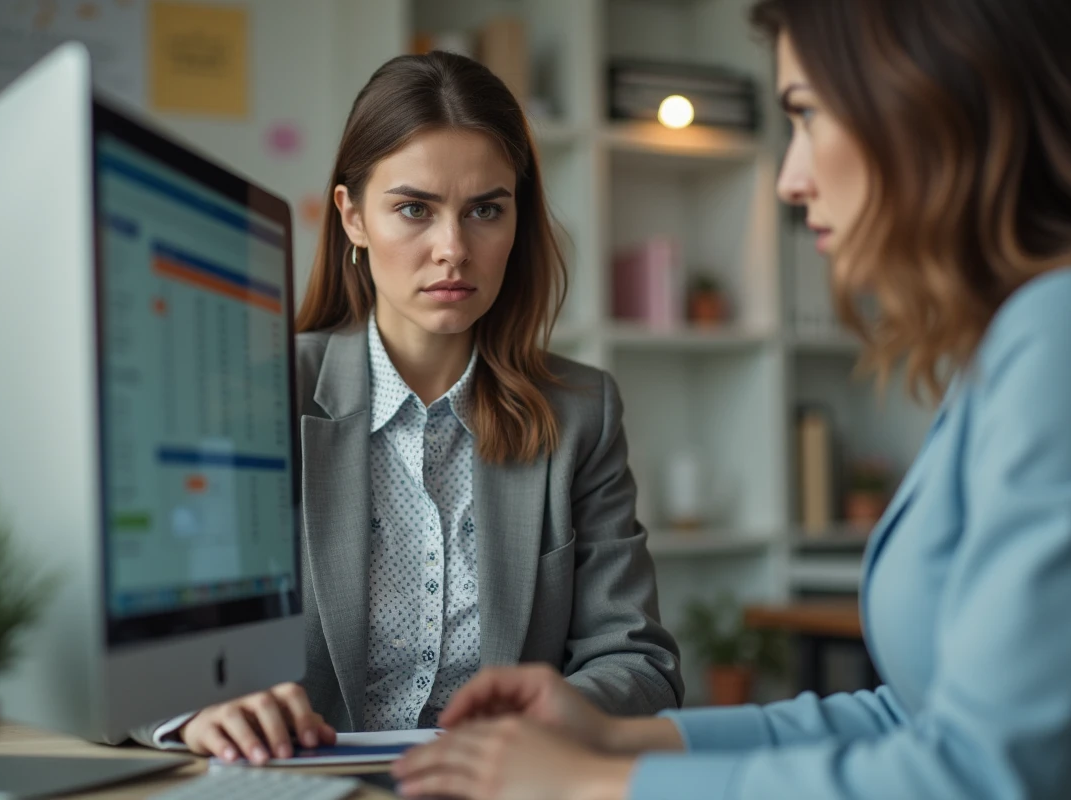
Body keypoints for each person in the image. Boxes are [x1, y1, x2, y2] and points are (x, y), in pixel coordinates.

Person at [390, 0, 1071, 797]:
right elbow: (911, 718)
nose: (791, 179)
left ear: (934, 103)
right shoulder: (1018, 340)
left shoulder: (1066, 327)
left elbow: (985, 774)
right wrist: (617, 738)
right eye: (413, 207)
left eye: (807, 116)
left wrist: (594, 786)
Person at [131, 50, 683, 763]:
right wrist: (194, 710)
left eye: (486, 210)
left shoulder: (580, 413)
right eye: (414, 209)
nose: (452, 249)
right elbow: (136, 643)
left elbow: (639, 663)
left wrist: (556, 715)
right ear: (352, 216)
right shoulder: (253, 393)